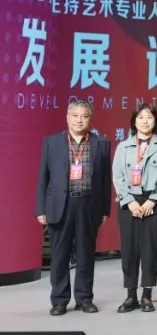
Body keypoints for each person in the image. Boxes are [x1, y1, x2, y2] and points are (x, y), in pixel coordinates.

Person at [36, 100, 111, 316]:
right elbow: (43, 177)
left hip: (88, 205)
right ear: (67, 118)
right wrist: (41, 209)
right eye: (75, 115)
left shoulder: (101, 143)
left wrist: (105, 209)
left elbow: (106, 180)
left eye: (84, 116)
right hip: (60, 204)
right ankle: (59, 300)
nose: (79, 120)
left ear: (90, 119)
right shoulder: (52, 142)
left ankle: (84, 298)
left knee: (86, 254)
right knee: (60, 255)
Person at [112, 104, 157, 313]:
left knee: (150, 249)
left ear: (156, 121)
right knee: (129, 250)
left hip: (153, 202)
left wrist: (153, 200)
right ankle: (131, 296)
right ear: (134, 121)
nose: (145, 121)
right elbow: (118, 176)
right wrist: (129, 201)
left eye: (149, 117)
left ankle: (147, 295)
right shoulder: (123, 146)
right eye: (140, 117)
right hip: (129, 203)